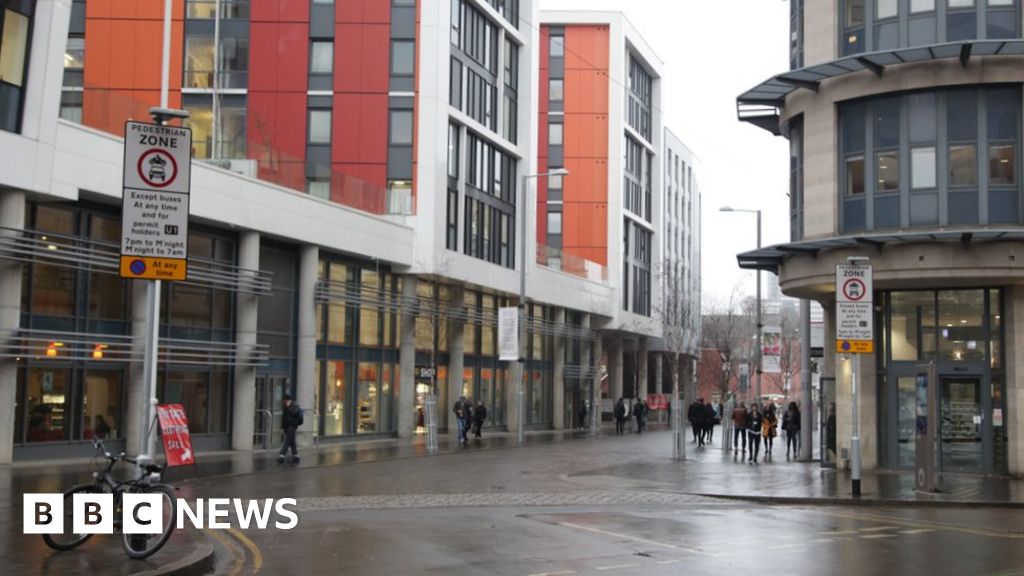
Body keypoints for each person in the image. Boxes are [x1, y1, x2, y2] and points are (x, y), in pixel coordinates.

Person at [278, 393, 303, 463]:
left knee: (287, 441)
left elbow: (294, 414)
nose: (283, 402)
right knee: (292, 442)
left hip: (292, 426)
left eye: (284, 400)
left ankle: (282, 455)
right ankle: (296, 456)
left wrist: (289, 407)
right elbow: (284, 418)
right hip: (287, 426)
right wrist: (282, 427)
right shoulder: (285, 406)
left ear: (287, 400)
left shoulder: (294, 406)